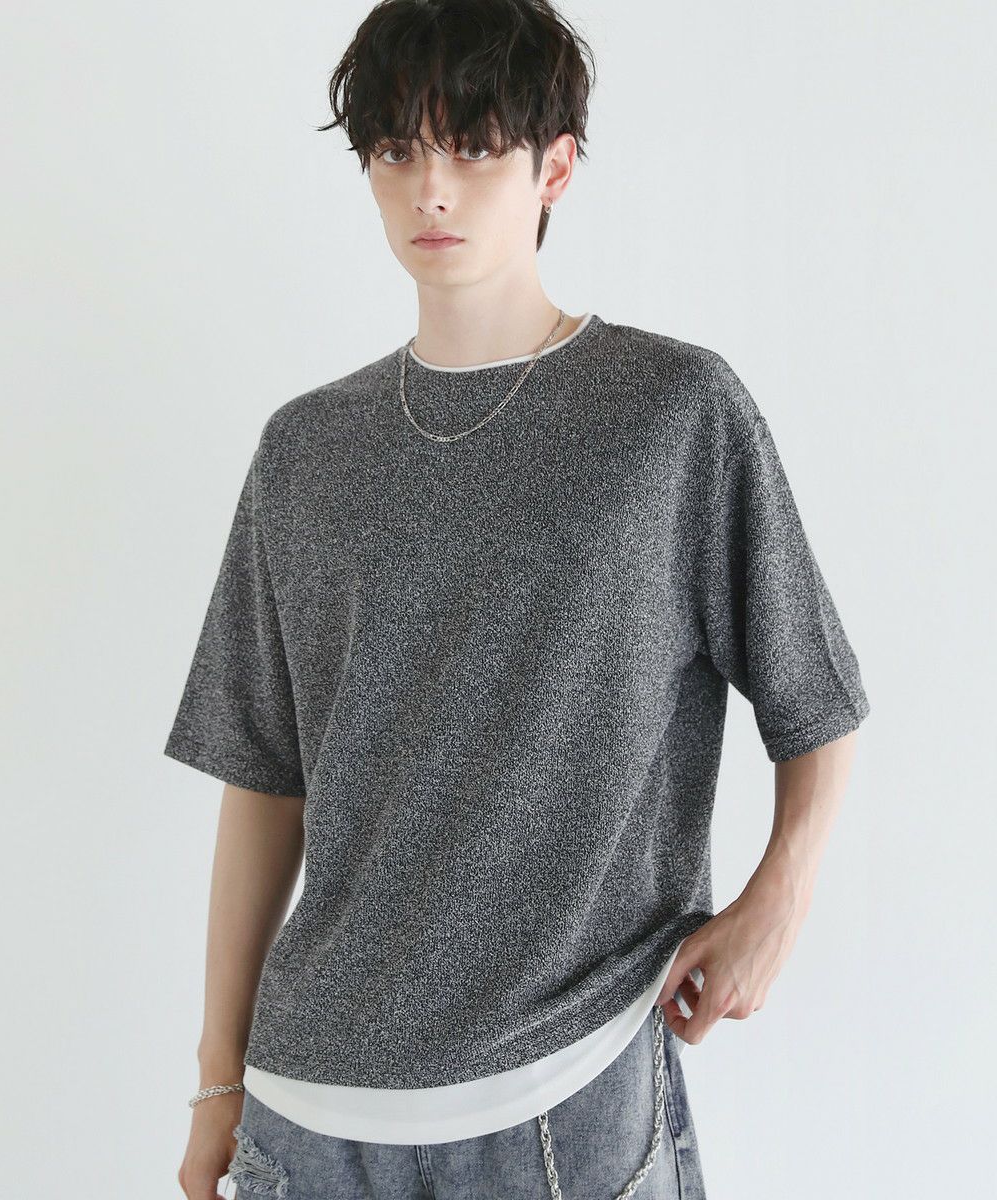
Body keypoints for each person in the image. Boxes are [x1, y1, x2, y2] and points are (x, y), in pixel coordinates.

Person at [166, 2, 871, 1197]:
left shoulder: (670, 415)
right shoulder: (306, 449)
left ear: (555, 167)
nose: (431, 189)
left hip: (563, 1093)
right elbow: (266, 780)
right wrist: (216, 1080)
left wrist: (781, 895)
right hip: (307, 1116)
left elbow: (816, 700)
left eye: (474, 147)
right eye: (398, 150)